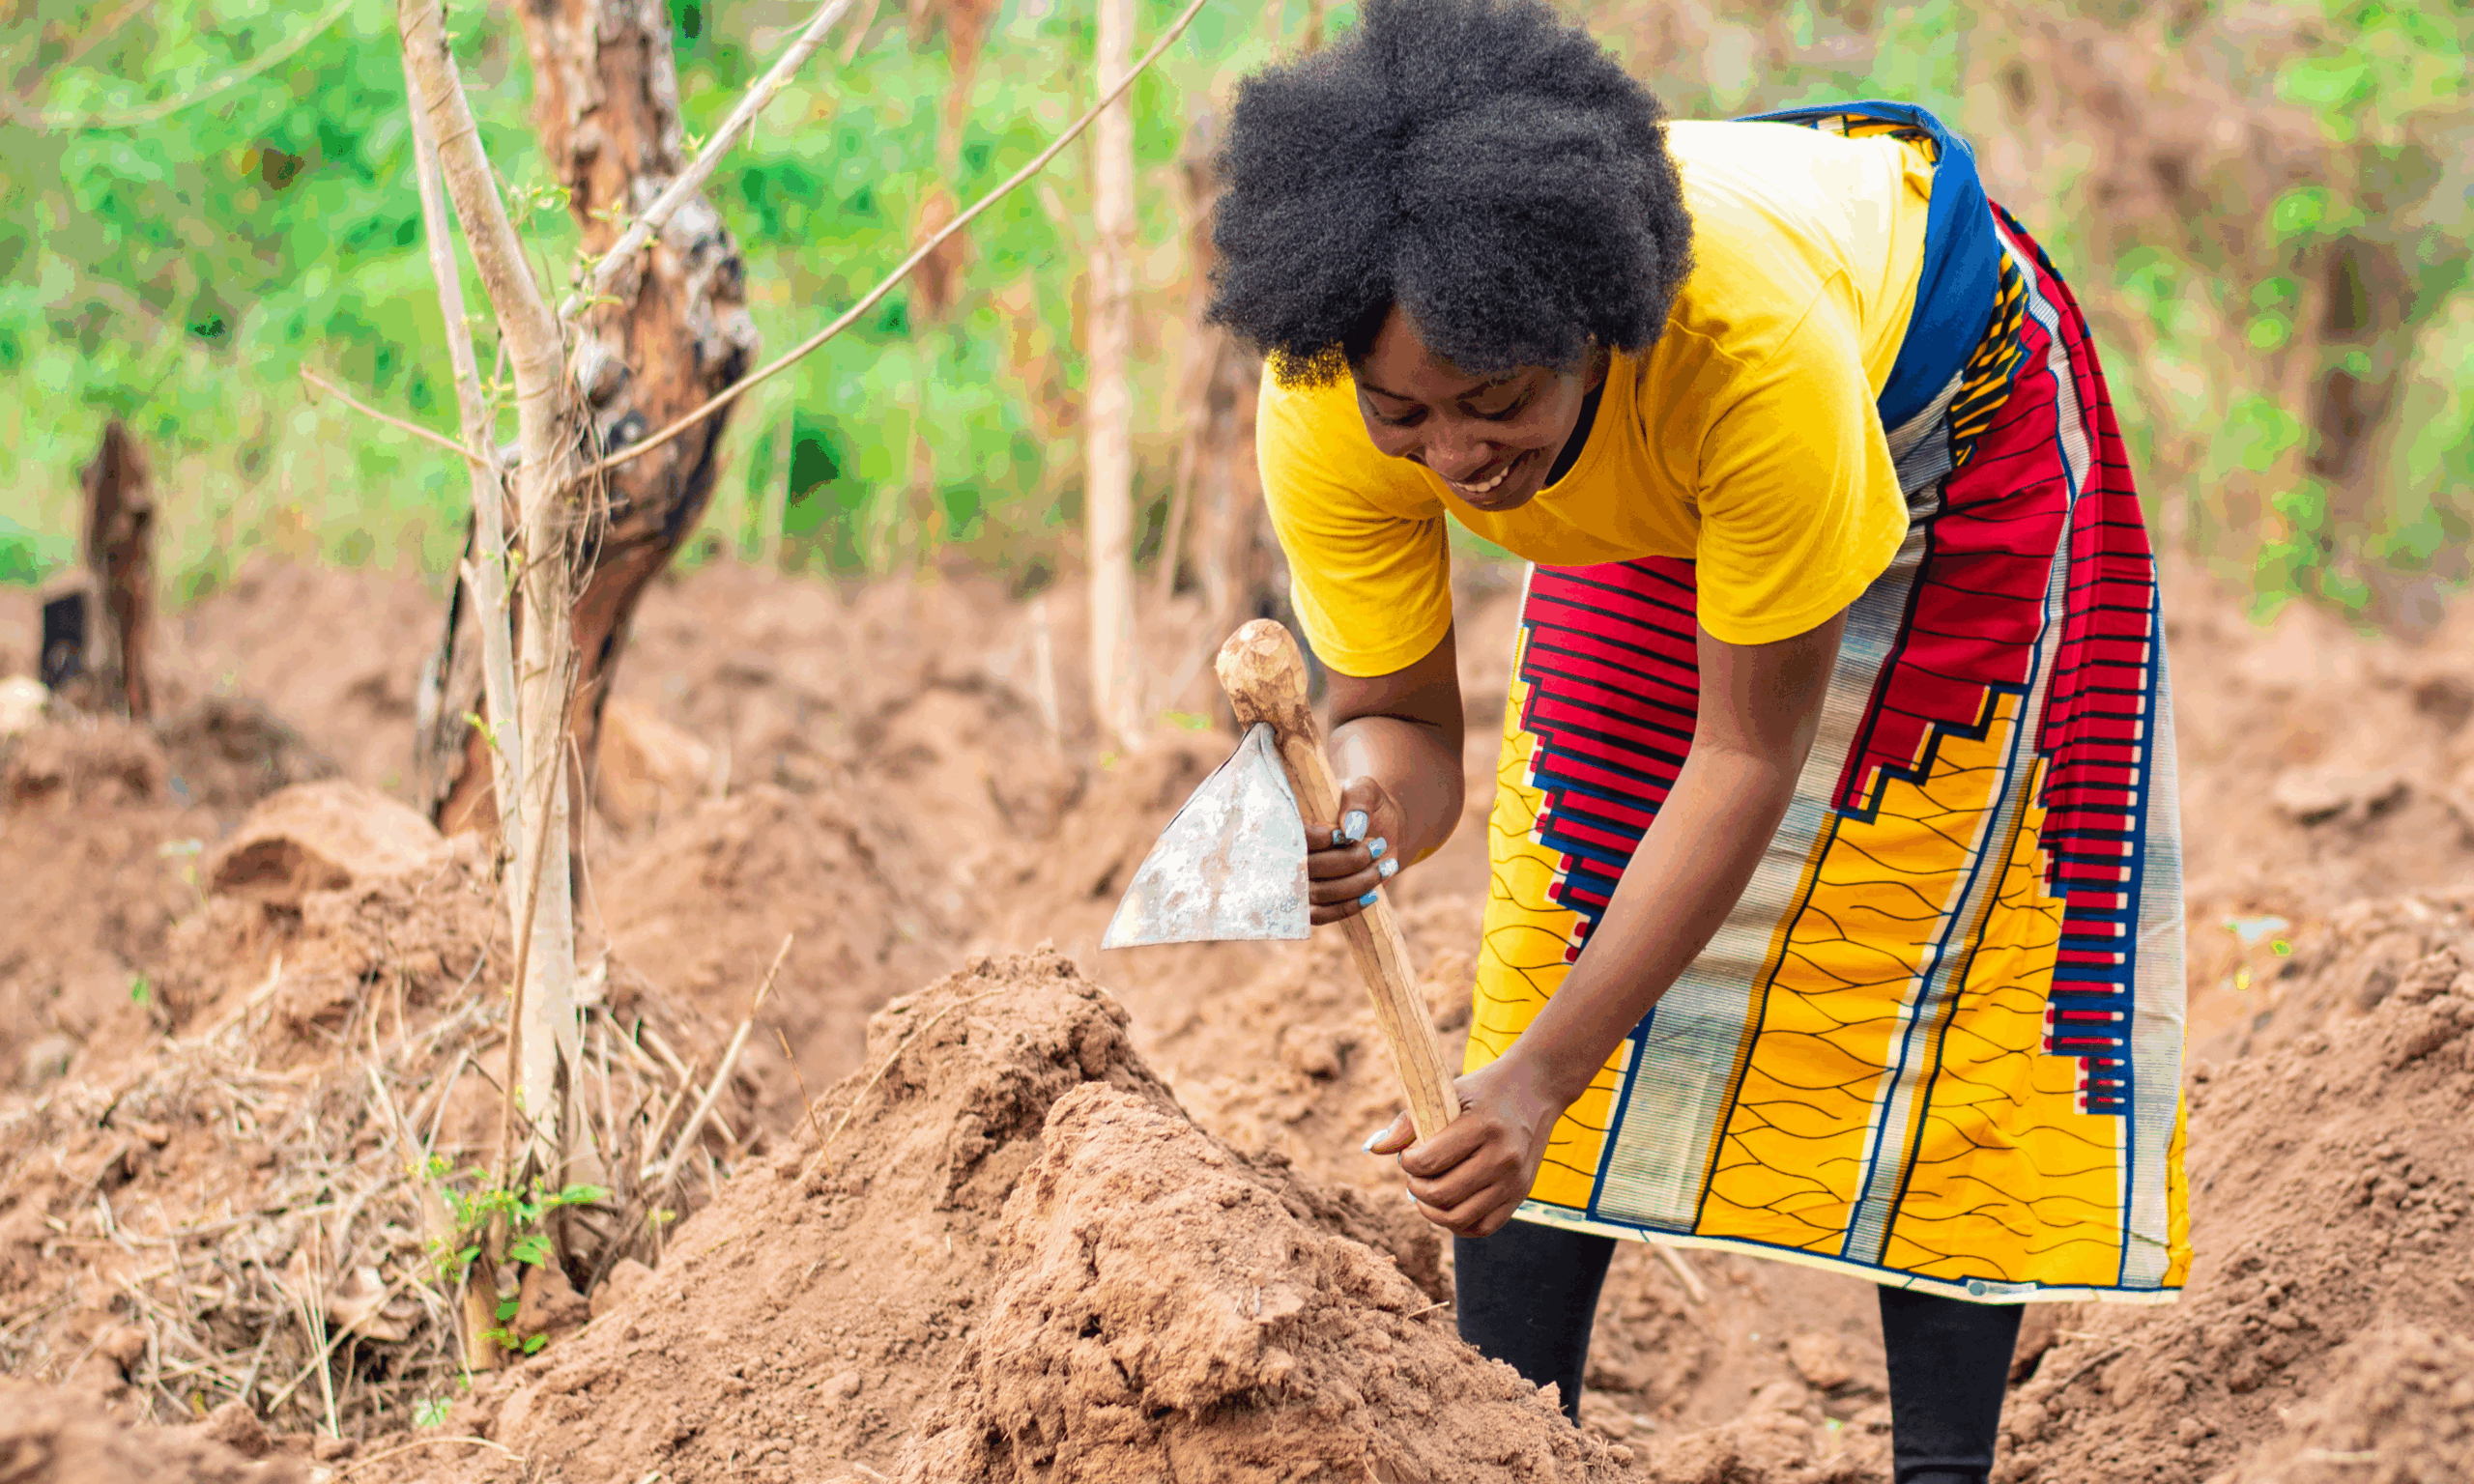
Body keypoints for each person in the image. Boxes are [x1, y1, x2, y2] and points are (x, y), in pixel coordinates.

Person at [1203, 3, 2190, 1481]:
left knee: (1927, 939)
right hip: (1658, 459)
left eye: (1495, 404)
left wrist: (1536, 1088)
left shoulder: (1743, 355)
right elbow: (1404, 730)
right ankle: (1509, 1443)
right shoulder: (1336, 398)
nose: (1459, 458)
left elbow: (1744, 758)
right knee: (1578, 880)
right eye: (1413, 417)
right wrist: (1360, 821)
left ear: (1592, 334)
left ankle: (1940, 1466)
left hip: (1953, 428)